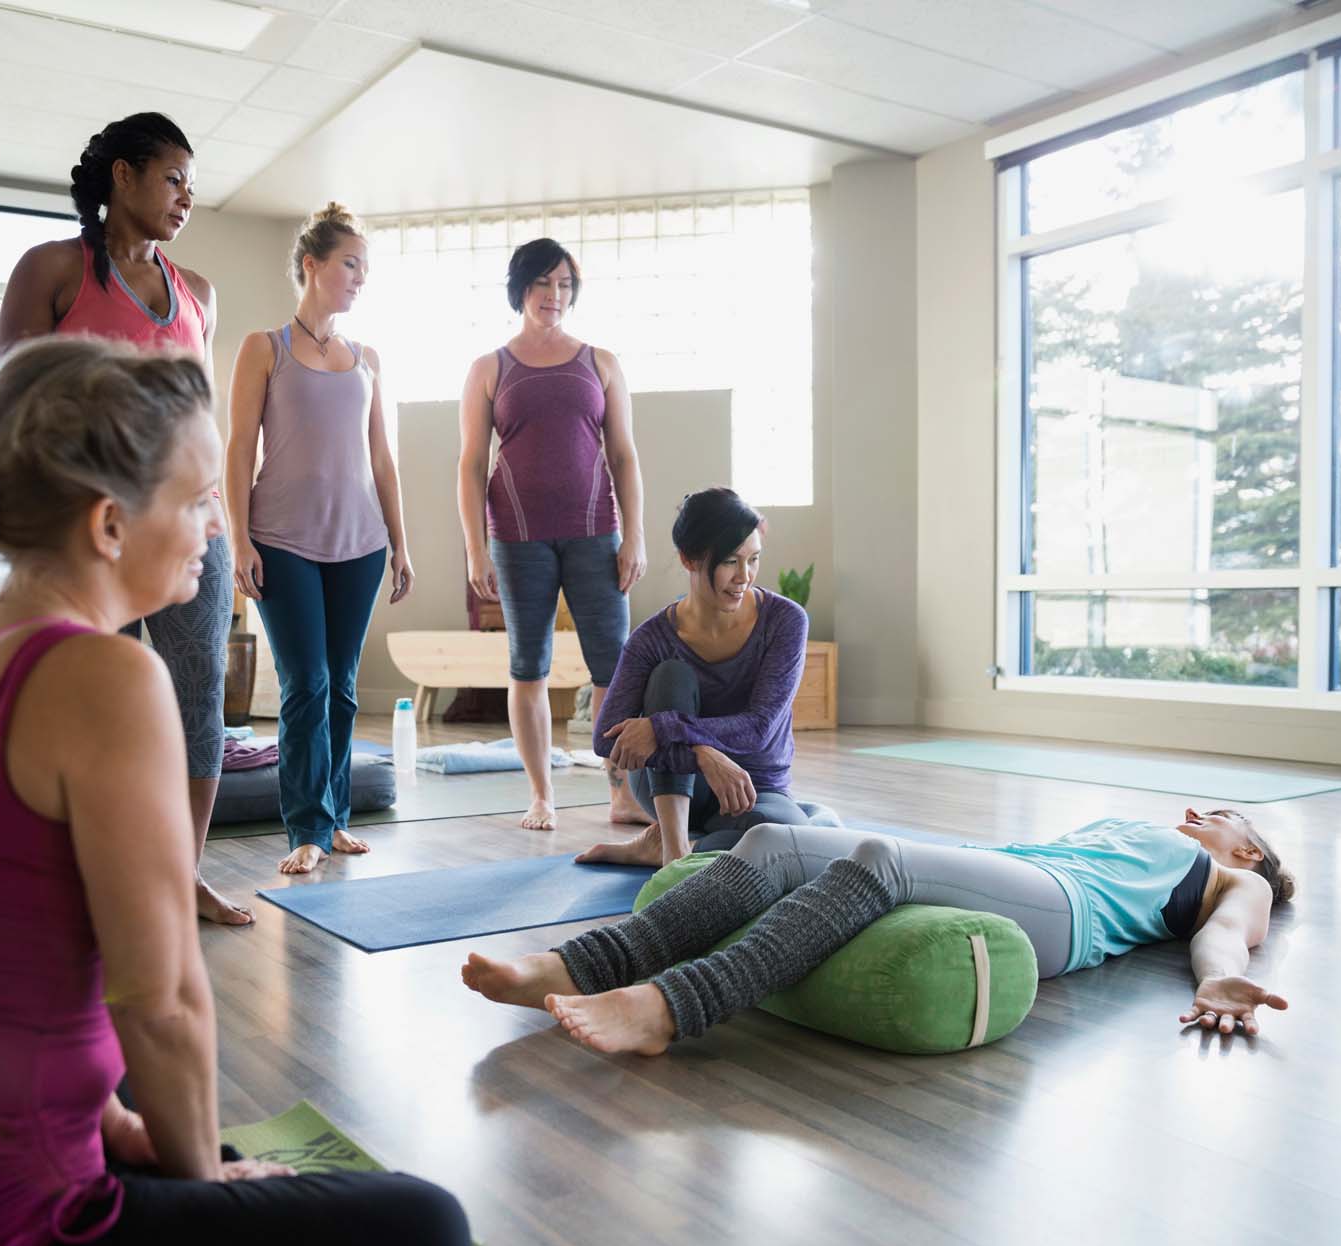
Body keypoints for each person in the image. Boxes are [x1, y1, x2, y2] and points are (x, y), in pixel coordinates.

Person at [0, 338, 471, 1246]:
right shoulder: (100, 674)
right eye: (198, 501)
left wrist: (119, 1128)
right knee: (423, 1227)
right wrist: (199, 1184)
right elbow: (164, 1000)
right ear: (108, 525)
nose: (216, 529)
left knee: (199, 1147)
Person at [465, 806, 1296, 1055]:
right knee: (771, 841)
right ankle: (578, 964)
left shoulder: (1240, 877)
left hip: (1061, 910)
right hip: (1008, 864)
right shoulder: (1129, 827)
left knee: (880, 856)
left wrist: (1219, 976)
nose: (1193, 814)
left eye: (1215, 815)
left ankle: (668, 1009)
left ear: (1248, 847)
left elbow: (1228, 931)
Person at [0, 110, 246, 926]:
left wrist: (224, 525)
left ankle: (179, 875)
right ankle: (79, 875)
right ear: (123, 176)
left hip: (186, 527)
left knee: (198, 694)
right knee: (87, 695)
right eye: (173, 178)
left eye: (192, 187)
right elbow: (15, 404)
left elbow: (203, 423)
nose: (184, 199)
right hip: (84, 529)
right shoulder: (52, 269)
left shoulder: (198, 294)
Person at [226, 202, 413, 876]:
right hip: (282, 540)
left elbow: (382, 459)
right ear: (312, 264)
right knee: (305, 682)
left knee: (340, 689)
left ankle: (331, 820)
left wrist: (401, 542)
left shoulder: (367, 359)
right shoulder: (263, 348)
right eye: (350, 264)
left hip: (359, 543)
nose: (361, 277)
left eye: (366, 267)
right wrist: (239, 539)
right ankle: (305, 827)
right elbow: (238, 449)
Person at [457, 237, 646, 831]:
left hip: (596, 534)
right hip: (516, 538)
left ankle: (621, 793)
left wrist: (634, 536)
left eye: (564, 284)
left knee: (613, 668)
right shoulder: (490, 368)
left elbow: (624, 455)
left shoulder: (602, 363)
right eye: (543, 283)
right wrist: (474, 546)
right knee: (527, 665)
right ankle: (541, 795)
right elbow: (469, 463)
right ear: (521, 289)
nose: (554, 295)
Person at [573, 488, 816, 868]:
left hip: (753, 787)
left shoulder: (785, 621)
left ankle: (664, 846)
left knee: (783, 840)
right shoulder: (652, 638)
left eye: (754, 559)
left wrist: (664, 728)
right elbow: (606, 739)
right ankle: (673, 846)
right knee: (672, 675)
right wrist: (703, 754)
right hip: (667, 785)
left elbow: (759, 729)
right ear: (689, 559)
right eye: (730, 561)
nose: (744, 577)